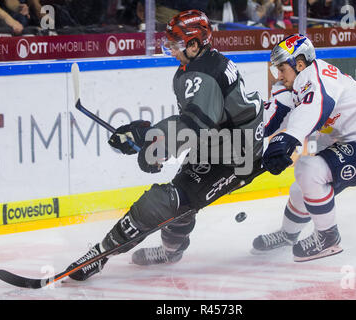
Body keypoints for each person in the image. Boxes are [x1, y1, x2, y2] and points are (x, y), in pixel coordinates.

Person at [67, 9, 265, 281]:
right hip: (221, 145)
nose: (170, 50)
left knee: (165, 201)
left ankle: (99, 255)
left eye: (175, 44)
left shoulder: (202, 74)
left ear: (194, 44)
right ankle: (172, 252)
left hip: (235, 157)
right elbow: (200, 121)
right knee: (179, 201)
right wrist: (150, 138)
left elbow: (196, 124)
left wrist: (152, 141)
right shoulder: (203, 63)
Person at [252, 34, 356, 262]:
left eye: (282, 69)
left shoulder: (316, 78)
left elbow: (314, 107)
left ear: (300, 64)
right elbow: (271, 117)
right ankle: (288, 235)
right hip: (354, 144)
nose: (279, 76)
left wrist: (286, 139)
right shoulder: (296, 84)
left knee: (308, 169)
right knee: (301, 187)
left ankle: (328, 238)